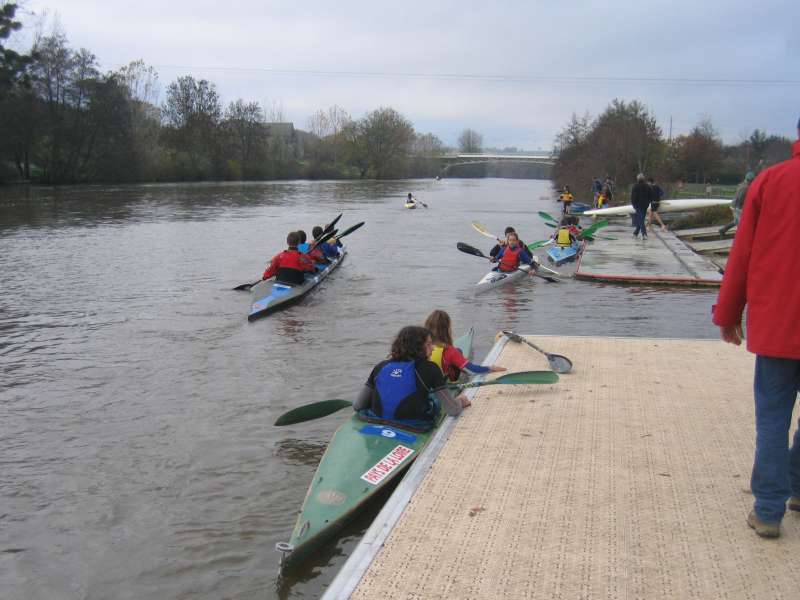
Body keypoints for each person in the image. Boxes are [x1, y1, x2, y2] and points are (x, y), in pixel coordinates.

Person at [712, 117, 800, 539]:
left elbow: (742, 255)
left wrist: (728, 315)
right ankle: (798, 489)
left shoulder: (770, 182)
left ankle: (768, 511)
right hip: (782, 329)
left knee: (773, 418)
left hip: (780, 328)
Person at [352, 326, 471, 430]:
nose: (433, 348)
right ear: (418, 347)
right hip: (415, 426)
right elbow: (453, 410)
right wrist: (460, 401)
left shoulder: (381, 366)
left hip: (376, 419)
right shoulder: (430, 368)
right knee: (433, 398)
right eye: (429, 344)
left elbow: (358, 406)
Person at [424, 310, 506, 381]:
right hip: (444, 383)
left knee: (458, 350)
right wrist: (490, 368)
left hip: (428, 382)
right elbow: (473, 370)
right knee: (458, 352)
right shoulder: (450, 351)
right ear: (447, 329)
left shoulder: (421, 346)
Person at [719, 171, 755, 236]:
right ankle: (742, 237)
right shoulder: (746, 188)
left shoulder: (743, 185)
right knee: (741, 223)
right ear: (750, 180)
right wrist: (741, 208)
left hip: (735, 205)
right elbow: (740, 199)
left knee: (736, 221)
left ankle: (723, 230)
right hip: (737, 207)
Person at [630, 173, 653, 239]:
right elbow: (651, 196)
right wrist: (648, 202)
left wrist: (633, 204)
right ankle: (635, 233)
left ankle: (644, 234)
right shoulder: (648, 186)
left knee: (640, 219)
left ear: (637, 179)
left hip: (638, 205)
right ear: (644, 179)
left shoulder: (635, 186)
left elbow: (633, 197)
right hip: (645, 205)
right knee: (641, 219)